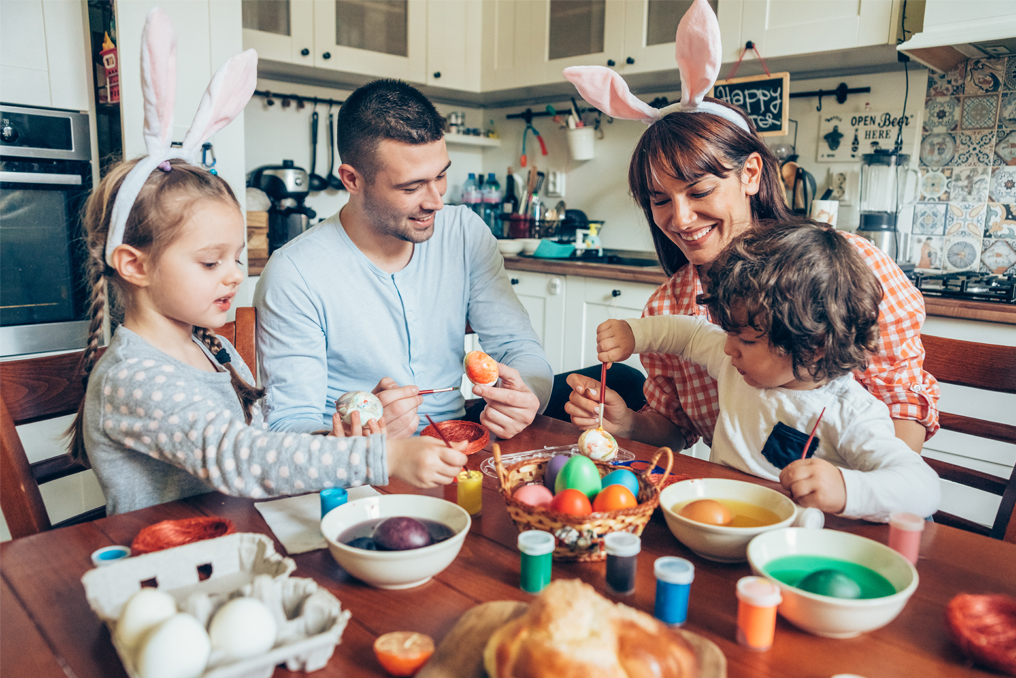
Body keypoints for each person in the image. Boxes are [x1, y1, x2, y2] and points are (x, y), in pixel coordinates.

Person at [68, 12, 466, 515]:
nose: (235, 275)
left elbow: (267, 452)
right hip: (168, 563)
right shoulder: (135, 376)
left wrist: (337, 437)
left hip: (237, 536)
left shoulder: (210, 347)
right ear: (134, 265)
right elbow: (242, 457)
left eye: (235, 258)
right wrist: (377, 456)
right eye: (211, 263)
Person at [562, 0, 939, 455]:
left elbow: (902, 410)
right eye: (660, 200)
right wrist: (628, 423)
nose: (679, 219)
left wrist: (850, 495)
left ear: (752, 174)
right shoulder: (670, 305)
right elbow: (678, 430)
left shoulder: (847, 267)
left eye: (699, 192)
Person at [254, 80, 553, 440]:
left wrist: (526, 396)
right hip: (358, 470)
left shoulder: (463, 233)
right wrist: (356, 438)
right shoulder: (295, 273)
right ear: (352, 180)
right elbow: (287, 425)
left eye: (440, 175)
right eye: (411, 188)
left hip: (458, 448)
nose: (436, 201)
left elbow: (518, 348)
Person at [596, 224, 940, 522]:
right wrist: (634, 334)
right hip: (723, 517)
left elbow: (923, 487)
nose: (728, 348)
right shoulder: (738, 363)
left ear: (812, 346)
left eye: (744, 339)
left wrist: (846, 489)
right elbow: (689, 334)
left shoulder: (852, 414)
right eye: (729, 333)